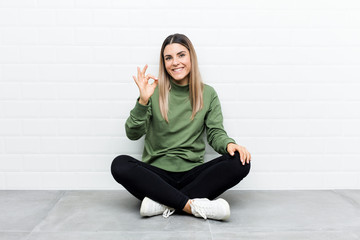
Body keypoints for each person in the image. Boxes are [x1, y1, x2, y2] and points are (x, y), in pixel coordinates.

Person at [111, 33, 251, 220]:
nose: (175, 62)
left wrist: (228, 145)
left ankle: (161, 203)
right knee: (119, 165)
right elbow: (132, 133)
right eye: (168, 58)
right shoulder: (153, 92)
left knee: (241, 162)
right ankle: (191, 206)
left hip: (193, 174)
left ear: (191, 57)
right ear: (164, 63)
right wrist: (143, 101)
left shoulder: (207, 93)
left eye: (181, 55)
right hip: (158, 176)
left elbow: (215, 132)